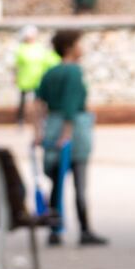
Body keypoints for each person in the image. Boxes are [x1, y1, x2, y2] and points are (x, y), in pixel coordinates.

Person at [33, 28, 107, 247]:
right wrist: (66, 135)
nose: (82, 48)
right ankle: (84, 229)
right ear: (69, 48)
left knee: (56, 183)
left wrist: (38, 132)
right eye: (79, 44)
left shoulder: (50, 72)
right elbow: (70, 107)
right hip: (72, 132)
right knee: (79, 184)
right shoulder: (74, 72)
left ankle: (55, 230)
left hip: (51, 128)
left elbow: (37, 103)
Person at [12, 25, 58, 127]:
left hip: (37, 79)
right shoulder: (21, 48)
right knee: (22, 101)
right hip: (24, 79)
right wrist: (15, 76)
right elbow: (17, 64)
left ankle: (40, 120)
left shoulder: (40, 47)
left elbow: (48, 61)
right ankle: (20, 120)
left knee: (39, 102)